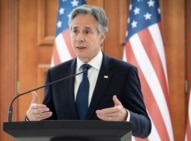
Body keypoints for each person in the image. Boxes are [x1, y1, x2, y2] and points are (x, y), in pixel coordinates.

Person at [26, 4, 151, 138]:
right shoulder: (55, 74)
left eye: (86, 31)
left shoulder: (124, 73)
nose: (79, 38)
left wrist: (125, 116)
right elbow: (48, 121)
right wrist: (31, 117)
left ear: (101, 36)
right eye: (75, 31)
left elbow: (145, 127)